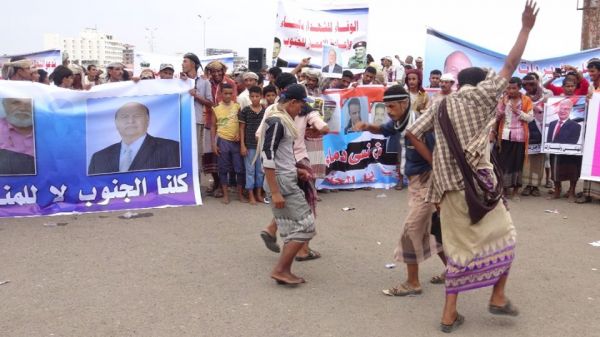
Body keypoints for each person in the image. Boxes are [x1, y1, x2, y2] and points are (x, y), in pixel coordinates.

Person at [405, 1, 538, 332]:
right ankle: (497, 297)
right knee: (505, 238)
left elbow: (411, 132)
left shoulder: (441, 104)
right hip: (480, 186)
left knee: (459, 252)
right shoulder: (482, 97)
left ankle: (449, 314)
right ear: (479, 84)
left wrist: (435, 159)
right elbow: (510, 62)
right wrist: (525, 28)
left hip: (447, 189)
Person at [354, 85, 446, 296]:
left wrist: (438, 190)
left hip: (426, 182)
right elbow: (385, 129)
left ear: (405, 103)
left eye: (392, 105)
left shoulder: (420, 124)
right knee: (432, 230)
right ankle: (453, 270)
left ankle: (413, 283)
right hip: (415, 184)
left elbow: (436, 158)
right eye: (386, 105)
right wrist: (367, 125)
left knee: (410, 231)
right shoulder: (400, 120)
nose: (388, 109)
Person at [258, 83, 316, 285]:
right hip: (281, 182)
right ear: (292, 103)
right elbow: (267, 156)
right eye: (300, 105)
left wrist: (296, 169)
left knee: (292, 228)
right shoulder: (277, 121)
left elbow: (281, 155)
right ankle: (281, 269)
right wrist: (275, 192)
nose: (301, 110)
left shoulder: (280, 119)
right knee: (307, 226)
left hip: (283, 177)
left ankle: (284, 270)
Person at [88, 102, 180, 175]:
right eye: (124, 117)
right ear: (116, 123)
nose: (130, 121)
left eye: (137, 116)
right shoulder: (98, 158)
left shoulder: (172, 149)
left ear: (147, 120)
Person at [494, 77, 534, 199]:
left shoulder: (526, 100)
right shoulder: (503, 99)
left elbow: (530, 118)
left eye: (514, 88)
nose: (511, 91)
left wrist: (517, 111)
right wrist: (501, 107)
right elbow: (497, 116)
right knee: (504, 163)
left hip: (520, 136)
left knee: (517, 163)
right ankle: (505, 190)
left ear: (519, 88)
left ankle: (516, 191)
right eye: (509, 88)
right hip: (505, 136)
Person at [182, 53, 215, 195]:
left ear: (193, 64)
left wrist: (197, 96)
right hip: (181, 121)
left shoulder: (204, 82)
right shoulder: (179, 81)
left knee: (196, 153)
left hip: (196, 120)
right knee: (183, 153)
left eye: (185, 61)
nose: (182, 64)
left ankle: (196, 185)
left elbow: (210, 102)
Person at [211, 83, 245, 204]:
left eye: (230, 93)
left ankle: (240, 195)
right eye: (225, 93)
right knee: (223, 169)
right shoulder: (216, 108)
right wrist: (213, 144)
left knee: (239, 169)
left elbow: (241, 124)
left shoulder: (237, 106)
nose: (228, 96)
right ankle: (226, 195)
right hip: (222, 141)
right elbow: (213, 127)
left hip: (235, 142)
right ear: (220, 94)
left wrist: (239, 135)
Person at [521, 73, 552, 197]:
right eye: (525, 85)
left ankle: (535, 186)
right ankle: (528, 185)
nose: (528, 87)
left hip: (542, 131)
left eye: (531, 84)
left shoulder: (548, 94)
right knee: (527, 160)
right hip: (528, 131)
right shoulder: (523, 97)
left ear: (537, 83)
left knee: (539, 159)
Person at [547, 99, 581, 202]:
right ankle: (557, 191)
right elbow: (549, 139)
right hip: (554, 152)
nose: (563, 111)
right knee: (555, 170)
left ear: (570, 111)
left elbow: (573, 141)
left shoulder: (576, 126)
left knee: (572, 171)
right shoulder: (552, 124)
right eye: (561, 108)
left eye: (566, 109)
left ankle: (571, 193)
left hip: (570, 154)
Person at [577, 59, 600, 203]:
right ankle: (589, 193)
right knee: (590, 157)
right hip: (593, 127)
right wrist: (588, 100)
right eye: (589, 71)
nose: (590, 74)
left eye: (593, 71)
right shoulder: (592, 86)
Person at [239, 86, 266, 205]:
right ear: (249, 97)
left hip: (262, 145)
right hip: (249, 146)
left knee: (260, 171)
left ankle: (258, 194)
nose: (255, 99)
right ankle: (250, 195)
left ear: (261, 97)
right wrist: (242, 145)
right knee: (249, 171)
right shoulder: (245, 110)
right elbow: (241, 128)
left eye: (257, 96)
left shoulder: (265, 111)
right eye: (252, 96)